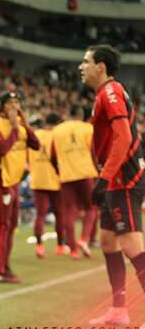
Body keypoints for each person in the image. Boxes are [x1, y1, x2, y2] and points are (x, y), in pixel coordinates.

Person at [79, 45, 145, 327]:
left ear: (101, 67)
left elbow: (124, 138)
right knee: (108, 241)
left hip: (123, 180)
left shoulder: (110, 92)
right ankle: (119, 309)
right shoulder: (103, 95)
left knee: (131, 244)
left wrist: (104, 178)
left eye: (86, 62)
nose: (81, 67)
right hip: (114, 179)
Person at [0, 91, 40, 283]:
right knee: (2, 225)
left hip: (16, 181)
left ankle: (5, 265)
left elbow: (36, 144)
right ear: (1, 105)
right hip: (1, 180)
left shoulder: (19, 122)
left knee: (11, 226)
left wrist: (24, 122)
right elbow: (1, 148)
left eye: (17, 102)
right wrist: (16, 129)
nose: (14, 106)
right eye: (10, 103)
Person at [50, 106, 98, 258]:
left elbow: (52, 156)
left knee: (68, 212)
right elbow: (94, 152)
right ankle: (84, 239)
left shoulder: (56, 130)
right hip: (85, 173)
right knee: (91, 207)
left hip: (66, 175)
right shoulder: (87, 128)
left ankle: (73, 250)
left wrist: (60, 171)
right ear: (81, 115)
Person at [28, 114, 62, 259]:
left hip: (37, 179)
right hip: (55, 180)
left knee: (40, 215)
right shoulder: (57, 135)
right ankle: (61, 246)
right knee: (59, 214)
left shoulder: (35, 135)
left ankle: (39, 245)